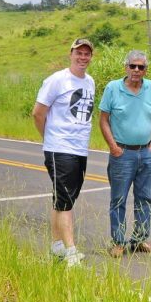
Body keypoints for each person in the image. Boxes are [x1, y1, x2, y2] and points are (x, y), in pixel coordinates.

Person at [32, 37, 96, 267]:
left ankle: (57, 246)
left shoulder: (90, 82)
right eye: (79, 53)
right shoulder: (57, 80)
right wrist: (50, 138)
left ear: (91, 57)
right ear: (70, 54)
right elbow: (38, 113)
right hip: (60, 148)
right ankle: (71, 252)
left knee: (62, 199)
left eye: (87, 53)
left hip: (80, 149)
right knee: (66, 200)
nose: (82, 57)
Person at [98, 50, 151, 258]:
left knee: (145, 198)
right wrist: (113, 147)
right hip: (122, 153)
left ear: (145, 70)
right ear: (125, 67)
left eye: (140, 67)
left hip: (146, 152)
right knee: (119, 199)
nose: (136, 70)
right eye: (132, 66)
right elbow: (103, 120)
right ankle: (118, 242)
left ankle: (139, 240)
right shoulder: (113, 88)